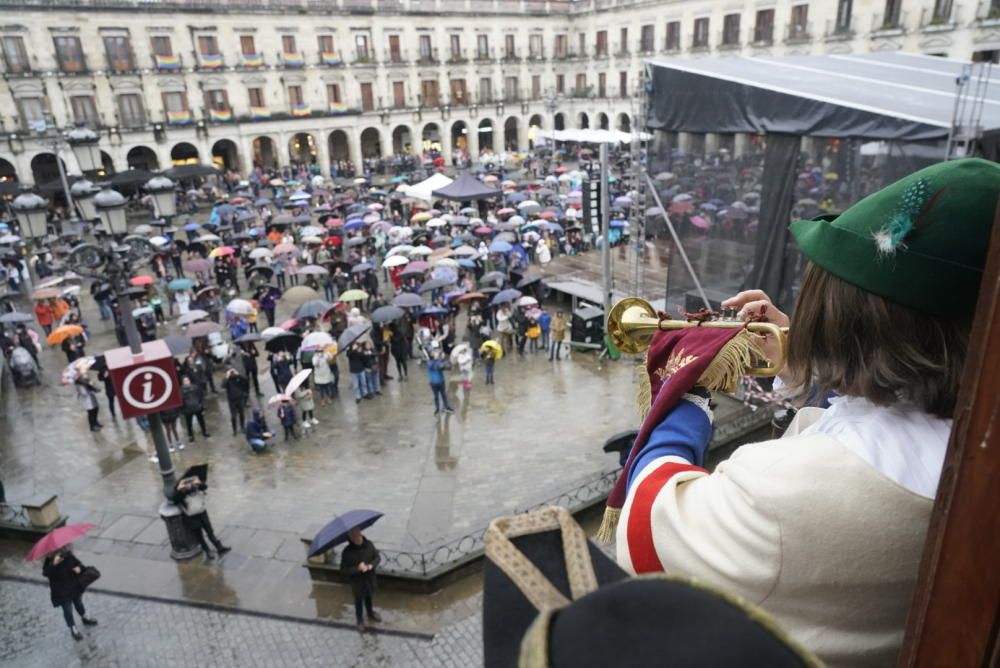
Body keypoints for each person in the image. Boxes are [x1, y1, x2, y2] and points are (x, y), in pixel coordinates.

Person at [610, 159, 999, 667]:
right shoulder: (964, 436)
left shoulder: (784, 491)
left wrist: (685, 396)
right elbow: (883, 420)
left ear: (860, 327)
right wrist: (804, 365)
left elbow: (646, 529)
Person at [43, 548, 97, 640]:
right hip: (61, 591)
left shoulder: (68, 555)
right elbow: (46, 573)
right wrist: (53, 564)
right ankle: (73, 628)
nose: (55, 552)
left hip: (73, 586)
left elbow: (80, 565)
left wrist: (79, 568)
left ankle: (85, 617)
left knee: (79, 603)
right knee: (68, 610)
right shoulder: (49, 561)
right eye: (52, 551)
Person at [172, 475, 230, 559]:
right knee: (199, 536)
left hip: (202, 513)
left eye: (190, 482)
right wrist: (179, 488)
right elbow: (175, 499)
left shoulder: (197, 487)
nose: (189, 485)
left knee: (210, 532)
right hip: (192, 517)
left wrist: (198, 482)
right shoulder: (181, 493)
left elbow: (204, 487)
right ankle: (208, 551)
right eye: (187, 483)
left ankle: (219, 548)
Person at [340, 527, 383, 630]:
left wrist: (370, 566)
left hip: (369, 579)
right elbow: (344, 570)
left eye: (358, 534)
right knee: (358, 601)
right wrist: (357, 568)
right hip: (357, 582)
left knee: (369, 597)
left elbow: (377, 558)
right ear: (350, 538)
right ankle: (359, 620)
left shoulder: (369, 544)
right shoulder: (347, 552)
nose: (358, 538)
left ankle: (370, 613)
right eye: (354, 536)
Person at [180, 376, 211, 442]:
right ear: (183, 382)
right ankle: (191, 436)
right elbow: (181, 401)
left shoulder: (195, 387)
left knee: (201, 421)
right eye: (185, 381)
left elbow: (201, 396)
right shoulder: (181, 391)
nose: (186, 382)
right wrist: (183, 410)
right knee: (189, 424)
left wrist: (201, 405)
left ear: (189, 381)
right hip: (188, 410)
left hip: (197, 408)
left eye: (187, 380)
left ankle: (204, 432)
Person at [221, 368, 249, 435]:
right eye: (231, 373)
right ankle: (234, 430)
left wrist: (238, 374)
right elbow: (223, 386)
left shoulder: (237, 378)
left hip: (240, 398)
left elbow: (245, 380)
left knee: (242, 414)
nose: (232, 374)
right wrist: (227, 377)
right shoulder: (227, 380)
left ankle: (242, 427)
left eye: (233, 372)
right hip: (232, 401)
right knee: (233, 416)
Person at [426, 349, 453, 415]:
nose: (436, 354)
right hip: (433, 383)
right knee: (436, 396)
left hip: (441, 381)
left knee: (444, 394)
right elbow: (436, 366)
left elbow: (448, 367)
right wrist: (440, 359)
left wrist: (443, 360)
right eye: (434, 353)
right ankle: (437, 409)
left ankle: (447, 407)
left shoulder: (439, 361)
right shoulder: (430, 362)